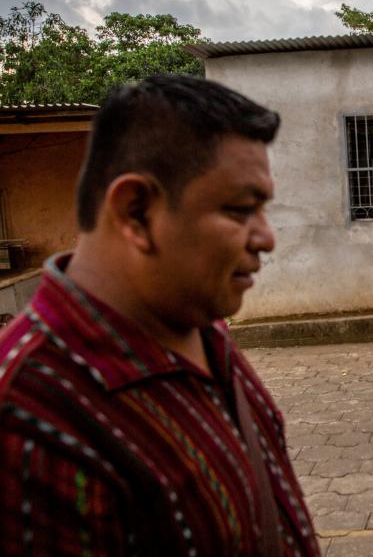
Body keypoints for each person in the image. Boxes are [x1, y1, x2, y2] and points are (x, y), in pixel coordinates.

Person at [0, 75, 321, 556]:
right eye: (240, 209)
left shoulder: (196, 323)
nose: (266, 238)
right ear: (135, 213)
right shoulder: (29, 420)